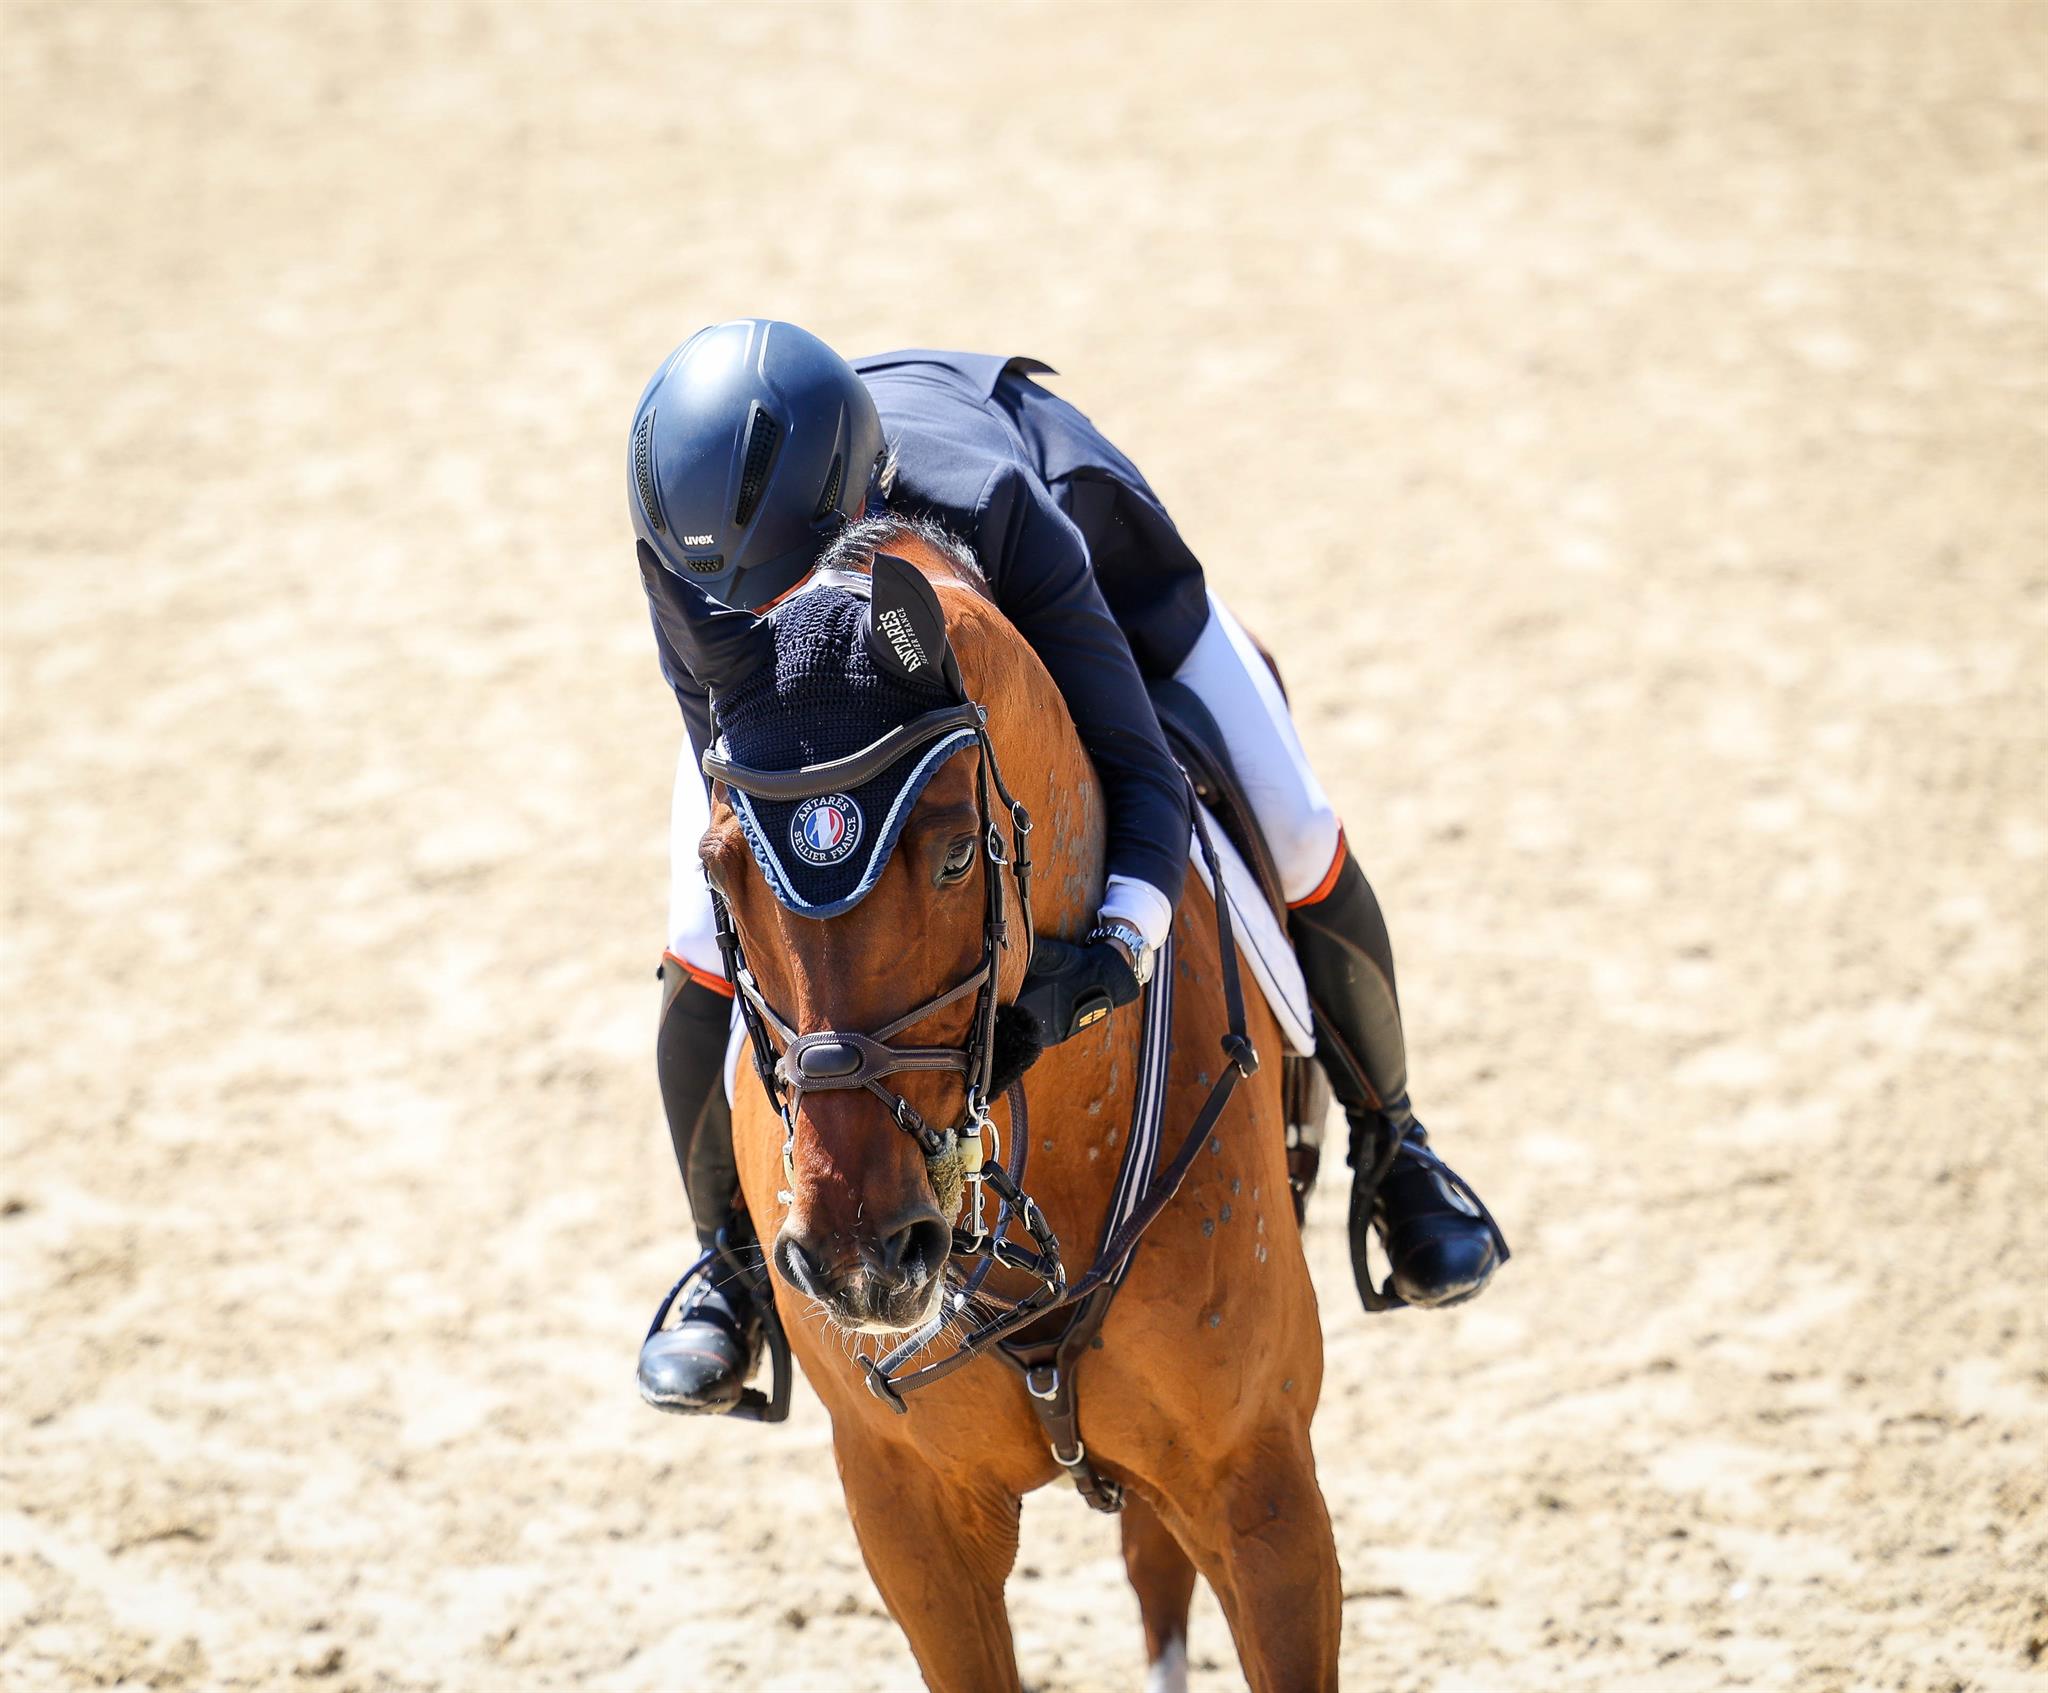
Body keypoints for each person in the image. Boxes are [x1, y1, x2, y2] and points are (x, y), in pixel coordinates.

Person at [630, 320, 1502, 1415]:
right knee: (698, 935)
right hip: (805, 656)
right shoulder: (697, 579)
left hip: (1088, 563)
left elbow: (1145, 780)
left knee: (1292, 821)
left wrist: (1119, 943)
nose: (754, 609)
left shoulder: (1000, 506)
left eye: (772, 587)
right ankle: (727, 1265)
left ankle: (1395, 1148)